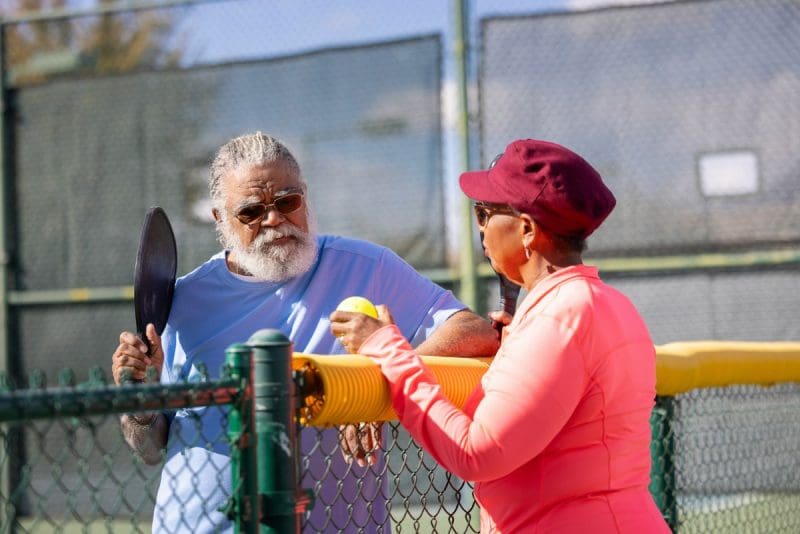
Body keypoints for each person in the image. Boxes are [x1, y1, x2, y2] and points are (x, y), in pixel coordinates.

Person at [110, 132, 499, 533]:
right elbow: (152, 448)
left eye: (287, 201)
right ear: (220, 219)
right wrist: (138, 401)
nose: (275, 220)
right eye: (251, 212)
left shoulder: (365, 267)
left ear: (305, 198)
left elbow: (475, 331)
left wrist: (375, 385)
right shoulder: (184, 300)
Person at [354, 139, 671, 532]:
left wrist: (389, 352)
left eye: (485, 213)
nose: (482, 229)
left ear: (526, 229)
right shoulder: (606, 303)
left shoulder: (561, 316)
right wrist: (517, 343)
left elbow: (477, 452)